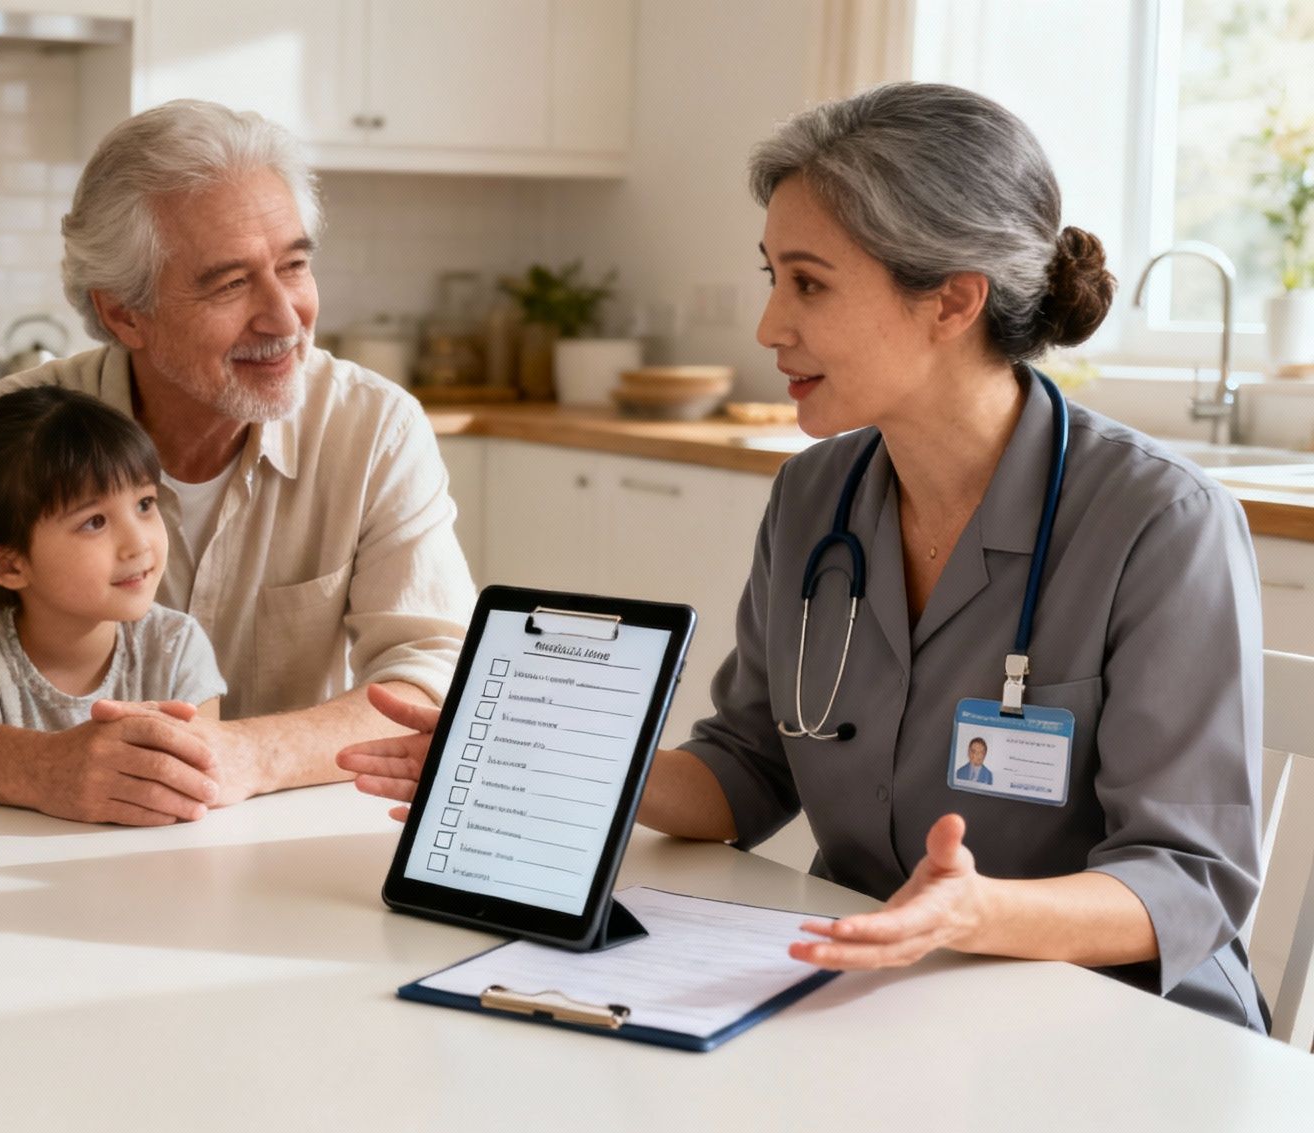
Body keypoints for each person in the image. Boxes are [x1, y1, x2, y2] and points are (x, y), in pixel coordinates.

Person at [340, 83, 1267, 1031]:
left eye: (809, 283)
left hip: (1120, 1024)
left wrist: (974, 911)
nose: (768, 325)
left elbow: (1189, 880)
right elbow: (747, 772)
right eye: (770, 277)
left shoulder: (1159, 522)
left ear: (952, 300)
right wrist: (550, 762)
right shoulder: (815, 496)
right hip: (878, 988)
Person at [0, 99, 475, 826]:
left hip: (272, 857)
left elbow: (437, 684)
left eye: (294, 265)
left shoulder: (374, 428)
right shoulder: (3, 437)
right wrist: (33, 766)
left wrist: (244, 755)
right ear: (123, 313)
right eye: (230, 283)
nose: (284, 317)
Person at [0, 385, 226, 729]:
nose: (138, 544)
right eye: (95, 522)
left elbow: (203, 771)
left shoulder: (177, 647)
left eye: (145, 504)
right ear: (8, 565)